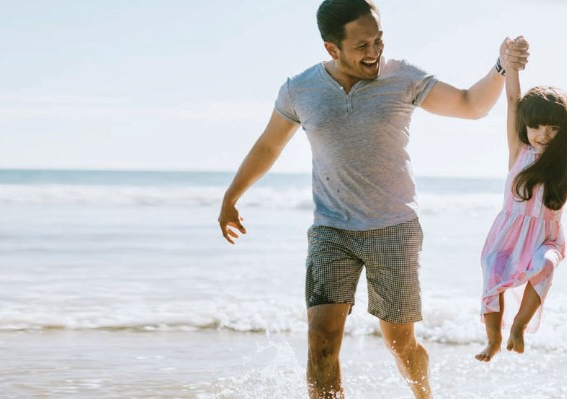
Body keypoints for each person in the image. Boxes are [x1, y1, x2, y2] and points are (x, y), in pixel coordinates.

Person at [215, 1, 528, 397]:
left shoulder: (403, 78)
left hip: (394, 229)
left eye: (378, 39)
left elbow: (470, 104)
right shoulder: (301, 89)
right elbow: (268, 146)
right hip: (331, 230)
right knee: (321, 342)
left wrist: (501, 66)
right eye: (362, 44)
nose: (374, 51)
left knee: (399, 342)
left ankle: (424, 393)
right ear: (332, 49)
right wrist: (232, 196)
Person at [474, 37, 567, 362]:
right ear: (525, 126)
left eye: (552, 128)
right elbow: (511, 100)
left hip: (545, 236)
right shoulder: (517, 152)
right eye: (536, 127)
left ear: (562, 129)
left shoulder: (566, 158)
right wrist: (512, 67)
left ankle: (519, 326)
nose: (543, 135)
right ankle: (493, 339)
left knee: (546, 265)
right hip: (508, 232)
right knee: (493, 274)